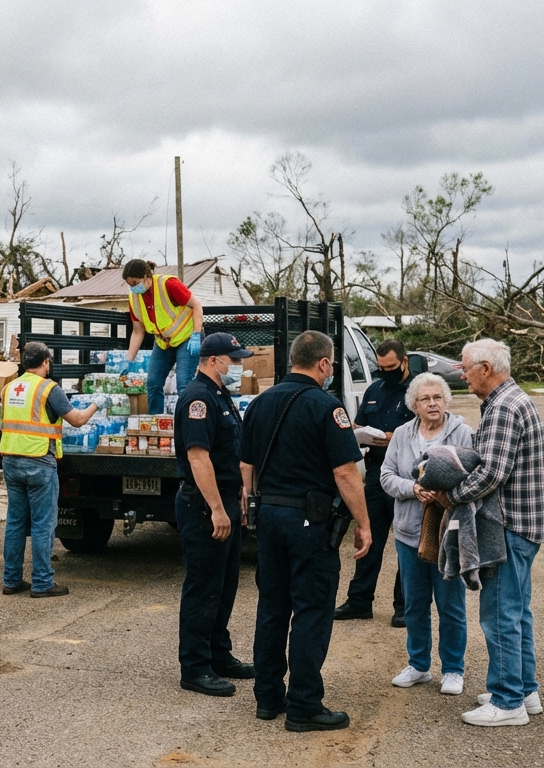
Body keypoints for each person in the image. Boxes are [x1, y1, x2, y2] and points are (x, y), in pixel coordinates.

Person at [239, 330, 371, 732]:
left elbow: (246, 465)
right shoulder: (326, 407)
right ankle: (304, 705)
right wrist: (364, 524)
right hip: (309, 522)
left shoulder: (260, 403)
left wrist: (249, 506)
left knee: (272, 606)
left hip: (270, 517)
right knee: (312, 610)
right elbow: (346, 473)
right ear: (325, 364)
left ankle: (267, 696)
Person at [424, 338, 544, 727]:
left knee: (499, 614)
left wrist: (452, 495)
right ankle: (524, 690)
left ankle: (507, 700)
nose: (461, 375)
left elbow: (492, 473)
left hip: (509, 527)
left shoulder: (503, 408)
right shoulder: (512, 401)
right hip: (525, 526)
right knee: (517, 613)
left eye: (464, 368)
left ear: (485, 368)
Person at [379, 372, 473, 696]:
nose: (432, 404)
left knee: (451, 604)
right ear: (414, 405)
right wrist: (413, 488)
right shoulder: (403, 435)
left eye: (437, 397)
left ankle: (453, 669)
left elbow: (473, 476)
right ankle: (418, 665)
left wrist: (447, 492)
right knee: (415, 603)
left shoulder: (463, 432)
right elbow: (386, 475)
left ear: (445, 400)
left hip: (449, 533)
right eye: (425, 399)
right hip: (408, 533)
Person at [173, 333, 256, 697]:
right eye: (232, 359)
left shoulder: (220, 393)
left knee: (224, 586)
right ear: (212, 360)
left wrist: (238, 492)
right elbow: (198, 457)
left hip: (223, 498)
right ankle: (195, 667)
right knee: (204, 588)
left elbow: (228, 452)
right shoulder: (198, 398)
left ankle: (218, 655)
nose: (236, 366)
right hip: (204, 505)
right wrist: (217, 509)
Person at [0, 342, 98, 598]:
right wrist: (96, 405)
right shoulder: (48, 389)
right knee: (44, 524)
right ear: (46, 363)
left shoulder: (8, 388)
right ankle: (42, 582)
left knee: (16, 522)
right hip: (39, 461)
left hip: (11, 460)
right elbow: (76, 420)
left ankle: (11, 580)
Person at [336, 339, 413, 626]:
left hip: (406, 476)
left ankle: (404, 606)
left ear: (404, 362)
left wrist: (387, 437)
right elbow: (358, 425)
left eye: (391, 367)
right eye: (381, 368)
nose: (386, 372)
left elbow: (421, 431)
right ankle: (359, 600)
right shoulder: (374, 390)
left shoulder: (418, 392)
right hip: (377, 473)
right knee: (368, 536)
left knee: (406, 541)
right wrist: (360, 434)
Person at [123, 258, 204, 415]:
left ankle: (187, 423)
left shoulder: (168, 284)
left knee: (183, 384)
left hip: (186, 337)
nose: (133, 288)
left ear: (147, 276)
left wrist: (196, 334)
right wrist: (129, 360)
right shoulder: (134, 299)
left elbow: (196, 305)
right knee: (153, 383)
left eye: (135, 283)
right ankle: (155, 422)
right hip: (163, 342)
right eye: (130, 284)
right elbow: (138, 331)